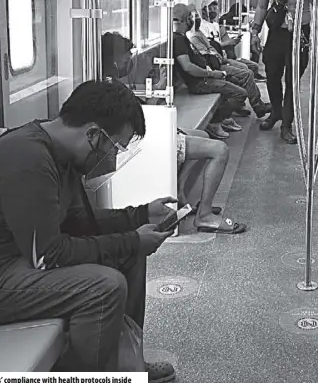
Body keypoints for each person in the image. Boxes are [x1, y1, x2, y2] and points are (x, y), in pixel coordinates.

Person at [0, 80, 179, 380]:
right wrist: (133, 240)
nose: (112, 157)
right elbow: (49, 255)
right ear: (93, 134)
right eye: (114, 147)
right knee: (104, 287)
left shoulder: (62, 157)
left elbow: (81, 224)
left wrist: (140, 215)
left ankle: (127, 362)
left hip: (12, 260)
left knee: (131, 256)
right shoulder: (28, 160)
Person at [101, 32, 247, 234]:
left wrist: (159, 89)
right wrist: (158, 93)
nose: (129, 58)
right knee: (220, 150)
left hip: (143, 131)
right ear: (114, 56)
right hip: (143, 140)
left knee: (203, 136)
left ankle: (179, 193)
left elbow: (138, 114)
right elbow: (138, 119)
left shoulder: (111, 81)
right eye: (125, 54)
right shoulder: (111, 85)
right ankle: (204, 216)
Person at [251, 0, 316, 145]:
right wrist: (255, 30)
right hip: (276, 34)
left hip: (298, 34)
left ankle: (287, 124)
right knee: (271, 75)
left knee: (291, 81)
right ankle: (276, 113)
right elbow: (262, 6)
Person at [172, 3, 250, 139]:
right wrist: (212, 74)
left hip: (204, 76)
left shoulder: (184, 38)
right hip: (200, 82)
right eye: (190, 16)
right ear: (183, 20)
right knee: (240, 94)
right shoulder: (178, 41)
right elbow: (188, 67)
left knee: (235, 80)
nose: (194, 19)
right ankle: (215, 121)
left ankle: (221, 117)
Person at [187, 8, 271, 121]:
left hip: (221, 60)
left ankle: (254, 104)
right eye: (194, 17)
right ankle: (255, 106)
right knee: (246, 74)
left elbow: (212, 49)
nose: (197, 20)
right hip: (216, 66)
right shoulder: (193, 36)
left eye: (197, 17)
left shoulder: (201, 32)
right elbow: (207, 55)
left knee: (249, 70)